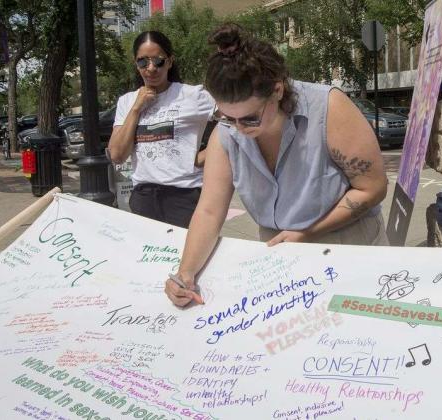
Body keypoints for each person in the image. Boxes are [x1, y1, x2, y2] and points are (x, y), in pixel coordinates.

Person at [165, 23, 388, 307]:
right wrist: (186, 274)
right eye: (226, 118)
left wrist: (308, 233)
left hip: (347, 244)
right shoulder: (228, 133)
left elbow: (372, 188)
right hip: (280, 254)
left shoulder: (329, 108)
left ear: (278, 91)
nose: (238, 129)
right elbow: (209, 210)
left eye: (249, 118)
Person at [108, 30, 214, 228]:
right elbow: (117, 155)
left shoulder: (193, 96)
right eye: (142, 62)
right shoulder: (127, 102)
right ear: (135, 63)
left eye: (158, 61)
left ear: (170, 61)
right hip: (143, 197)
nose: (151, 68)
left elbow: (236, 121)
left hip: (185, 196)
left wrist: (206, 155)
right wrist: (136, 108)